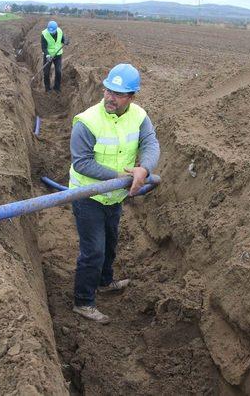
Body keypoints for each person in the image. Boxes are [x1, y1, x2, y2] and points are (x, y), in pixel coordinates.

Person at [69, 63, 160, 324]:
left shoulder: (140, 116)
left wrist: (144, 168)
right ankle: (83, 301)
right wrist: (119, 177)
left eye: (118, 94)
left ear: (131, 97)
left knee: (110, 241)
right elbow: (81, 162)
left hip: (115, 197)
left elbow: (150, 143)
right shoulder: (87, 122)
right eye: (108, 91)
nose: (110, 97)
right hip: (88, 195)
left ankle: (104, 282)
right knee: (93, 251)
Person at [41, 20, 68, 93]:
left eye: (53, 31)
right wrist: (47, 55)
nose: (52, 33)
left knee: (58, 71)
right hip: (48, 56)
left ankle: (57, 88)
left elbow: (62, 39)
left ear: (56, 29)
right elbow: (44, 47)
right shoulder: (44, 34)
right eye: (50, 31)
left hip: (58, 55)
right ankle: (47, 89)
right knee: (46, 72)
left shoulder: (59, 31)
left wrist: (65, 41)